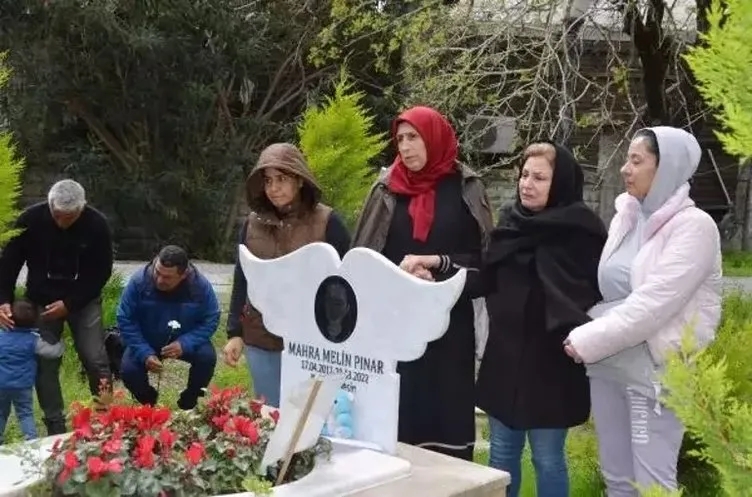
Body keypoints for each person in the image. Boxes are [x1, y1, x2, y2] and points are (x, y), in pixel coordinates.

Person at [402, 142, 607, 495]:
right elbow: (484, 276)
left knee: (547, 458)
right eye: (524, 175)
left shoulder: (582, 232)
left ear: (560, 182)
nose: (527, 184)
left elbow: (589, 296)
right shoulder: (512, 223)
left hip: (552, 364)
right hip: (506, 359)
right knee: (501, 453)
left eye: (539, 178)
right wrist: (437, 273)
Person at [564, 127, 722, 496]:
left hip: (654, 372)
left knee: (652, 484)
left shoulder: (694, 227)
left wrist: (588, 337)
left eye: (636, 161)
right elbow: (607, 287)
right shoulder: (628, 215)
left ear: (665, 169)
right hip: (610, 364)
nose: (625, 169)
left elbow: (654, 303)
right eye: (627, 160)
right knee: (617, 479)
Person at [352, 106, 494, 461]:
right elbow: (362, 261)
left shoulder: (467, 188)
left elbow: (485, 267)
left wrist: (438, 266)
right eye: (400, 139)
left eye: (413, 137)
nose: (405, 146)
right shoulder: (387, 189)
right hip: (395, 326)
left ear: (433, 137)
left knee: (445, 428)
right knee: (395, 426)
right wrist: (401, 276)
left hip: (449, 327)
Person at [222, 143, 351, 408]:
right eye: (268, 180)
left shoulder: (328, 222)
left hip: (313, 341)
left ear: (300, 180)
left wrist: (338, 331)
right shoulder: (251, 225)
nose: (273, 188)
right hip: (261, 336)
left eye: (281, 179)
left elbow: (348, 282)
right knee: (270, 413)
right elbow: (243, 278)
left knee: (310, 416)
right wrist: (235, 332)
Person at [0, 179, 113, 435]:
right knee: (45, 362)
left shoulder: (97, 225)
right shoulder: (30, 219)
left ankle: (105, 420)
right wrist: (3, 299)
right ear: (50, 204)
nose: (62, 222)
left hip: (83, 300)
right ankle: (55, 425)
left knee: (95, 359)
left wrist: (70, 304)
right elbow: (8, 263)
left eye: (69, 217)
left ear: (81, 208)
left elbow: (101, 272)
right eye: (57, 215)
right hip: (42, 300)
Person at [116, 245, 221, 410]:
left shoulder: (199, 287)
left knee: (206, 358)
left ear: (183, 275)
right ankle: (148, 402)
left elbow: (211, 319)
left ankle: (190, 400)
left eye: (167, 277)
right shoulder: (139, 282)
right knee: (129, 371)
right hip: (147, 340)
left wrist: (185, 343)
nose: (159, 280)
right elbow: (125, 318)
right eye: (157, 272)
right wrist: (144, 352)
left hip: (184, 339)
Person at [0, 299, 64, 443]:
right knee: (25, 414)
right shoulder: (33, 340)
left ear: (9, 317)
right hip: (23, 385)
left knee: (1, 413)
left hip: (1, 384)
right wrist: (60, 344)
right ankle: (31, 441)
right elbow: (53, 352)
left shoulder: (1, 336)